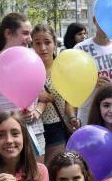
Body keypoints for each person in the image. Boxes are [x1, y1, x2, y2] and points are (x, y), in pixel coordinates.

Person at [0, 13, 47, 159]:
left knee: (37, 178)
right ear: (9, 33)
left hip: (34, 133)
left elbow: (43, 97)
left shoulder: (32, 60)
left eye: (30, 34)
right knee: (6, 180)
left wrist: (36, 111)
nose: (30, 39)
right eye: (25, 33)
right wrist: (10, 117)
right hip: (4, 137)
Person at [33, 25, 79, 166]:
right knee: (38, 172)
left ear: (54, 43)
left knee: (55, 169)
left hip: (57, 127)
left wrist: (72, 117)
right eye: (37, 43)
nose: (43, 48)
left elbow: (68, 100)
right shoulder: (28, 68)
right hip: (33, 128)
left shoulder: (63, 68)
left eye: (47, 42)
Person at [74, 17, 112, 124]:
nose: (107, 25)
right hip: (88, 112)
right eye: (103, 19)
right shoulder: (79, 49)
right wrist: (92, 82)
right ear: (94, 20)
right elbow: (72, 83)